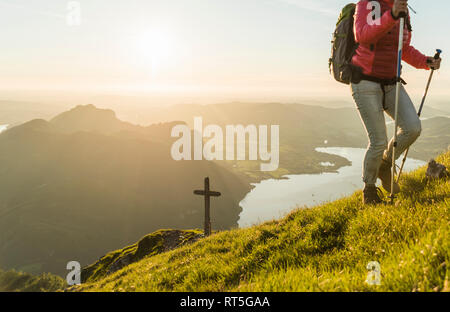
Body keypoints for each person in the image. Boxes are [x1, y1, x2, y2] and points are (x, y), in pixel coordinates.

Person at [350, 0, 441, 204]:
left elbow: (404, 49)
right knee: (378, 140)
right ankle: (369, 190)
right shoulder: (368, 3)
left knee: (412, 127)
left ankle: (385, 164)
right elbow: (363, 35)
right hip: (364, 80)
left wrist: (427, 62)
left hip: (391, 82)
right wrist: (391, 15)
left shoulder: (403, 10)